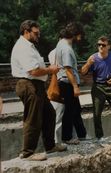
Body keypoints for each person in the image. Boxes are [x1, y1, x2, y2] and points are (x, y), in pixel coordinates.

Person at [11, 20, 66, 161]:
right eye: (35, 33)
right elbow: (34, 70)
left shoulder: (30, 46)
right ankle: (28, 153)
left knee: (49, 114)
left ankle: (50, 146)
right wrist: (50, 69)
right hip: (28, 84)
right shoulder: (23, 47)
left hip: (35, 85)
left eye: (38, 33)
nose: (38, 36)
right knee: (33, 118)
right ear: (26, 32)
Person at [56, 22, 87, 145]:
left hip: (65, 81)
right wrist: (75, 86)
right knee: (70, 110)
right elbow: (68, 69)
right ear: (75, 34)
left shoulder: (61, 44)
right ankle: (67, 137)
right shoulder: (66, 48)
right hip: (68, 83)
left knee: (75, 109)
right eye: (80, 35)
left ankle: (81, 134)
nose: (80, 38)